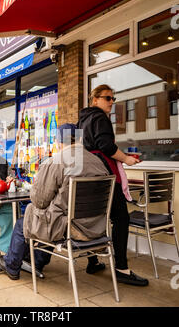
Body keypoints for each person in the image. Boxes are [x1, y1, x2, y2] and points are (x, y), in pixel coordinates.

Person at [0, 123, 110, 280]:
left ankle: (11, 265)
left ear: (59, 142)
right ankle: (37, 261)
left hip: (70, 229)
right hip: (96, 227)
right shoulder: (99, 162)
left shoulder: (56, 162)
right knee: (47, 215)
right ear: (79, 139)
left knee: (26, 220)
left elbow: (39, 200)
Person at [77, 84, 149, 286]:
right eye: (107, 98)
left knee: (95, 217)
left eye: (112, 98)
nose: (111, 102)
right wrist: (126, 159)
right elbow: (106, 146)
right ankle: (122, 269)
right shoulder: (100, 117)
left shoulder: (82, 120)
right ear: (95, 100)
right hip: (105, 176)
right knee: (121, 218)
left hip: (88, 176)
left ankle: (93, 261)